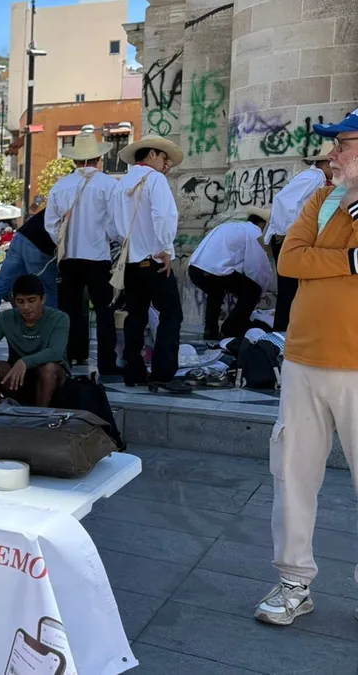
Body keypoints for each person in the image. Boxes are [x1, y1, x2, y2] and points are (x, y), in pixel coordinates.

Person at [254, 112, 358, 627]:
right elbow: (290, 260)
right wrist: (350, 261)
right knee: (292, 476)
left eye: (343, 145)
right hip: (302, 359)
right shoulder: (321, 199)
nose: (331, 156)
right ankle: (294, 581)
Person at [111, 135, 190, 394]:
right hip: (154, 258)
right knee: (171, 314)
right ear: (153, 154)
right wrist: (166, 248)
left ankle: (133, 370)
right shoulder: (154, 180)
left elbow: (113, 227)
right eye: (165, 158)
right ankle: (163, 373)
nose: (167, 164)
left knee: (136, 315)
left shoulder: (121, 184)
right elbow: (164, 214)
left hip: (131, 261)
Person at [46, 128, 120, 371]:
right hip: (98, 256)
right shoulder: (108, 185)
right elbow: (113, 224)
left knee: (70, 309)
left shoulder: (61, 186)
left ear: (75, 160)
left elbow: (51, 225)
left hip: (70, 258)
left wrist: (63, 242)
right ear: (98, 159)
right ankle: (107, 362)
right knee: (104, 310)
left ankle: (71, 355)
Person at [0, 275, 69, 407]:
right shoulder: (5, 317)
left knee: (49, 369)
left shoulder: (59, 318)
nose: (26, 307)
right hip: (16, 379)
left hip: (51, 381)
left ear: (43, 299)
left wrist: (25, 362)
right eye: (20, 301)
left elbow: (56, 352)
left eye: (31, 300)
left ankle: (40, 417)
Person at [266, 153, 333, 332]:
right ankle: (282, 335)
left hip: (289, 237)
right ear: (325, 163)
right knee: (290, 292)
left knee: (292, 292)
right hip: (288, 239)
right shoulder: (314, 178)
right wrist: (290, 233)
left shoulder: (314, 178)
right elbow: (283, 203)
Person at [188, 209, 273, 342]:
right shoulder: (254, 233)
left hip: (195, 269)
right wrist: (262, 291)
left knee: (216, 293)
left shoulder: (229, 226)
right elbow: (257, 267)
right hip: (214, 271)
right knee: (252, 291)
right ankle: (230, 331)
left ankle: (211, 334)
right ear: (263, 225)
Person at [0, 206, 57, 330]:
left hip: (21, 236)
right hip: (40, 245)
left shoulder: (63, 196)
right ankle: (51, 334)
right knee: (48, 291)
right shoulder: (80, 206)